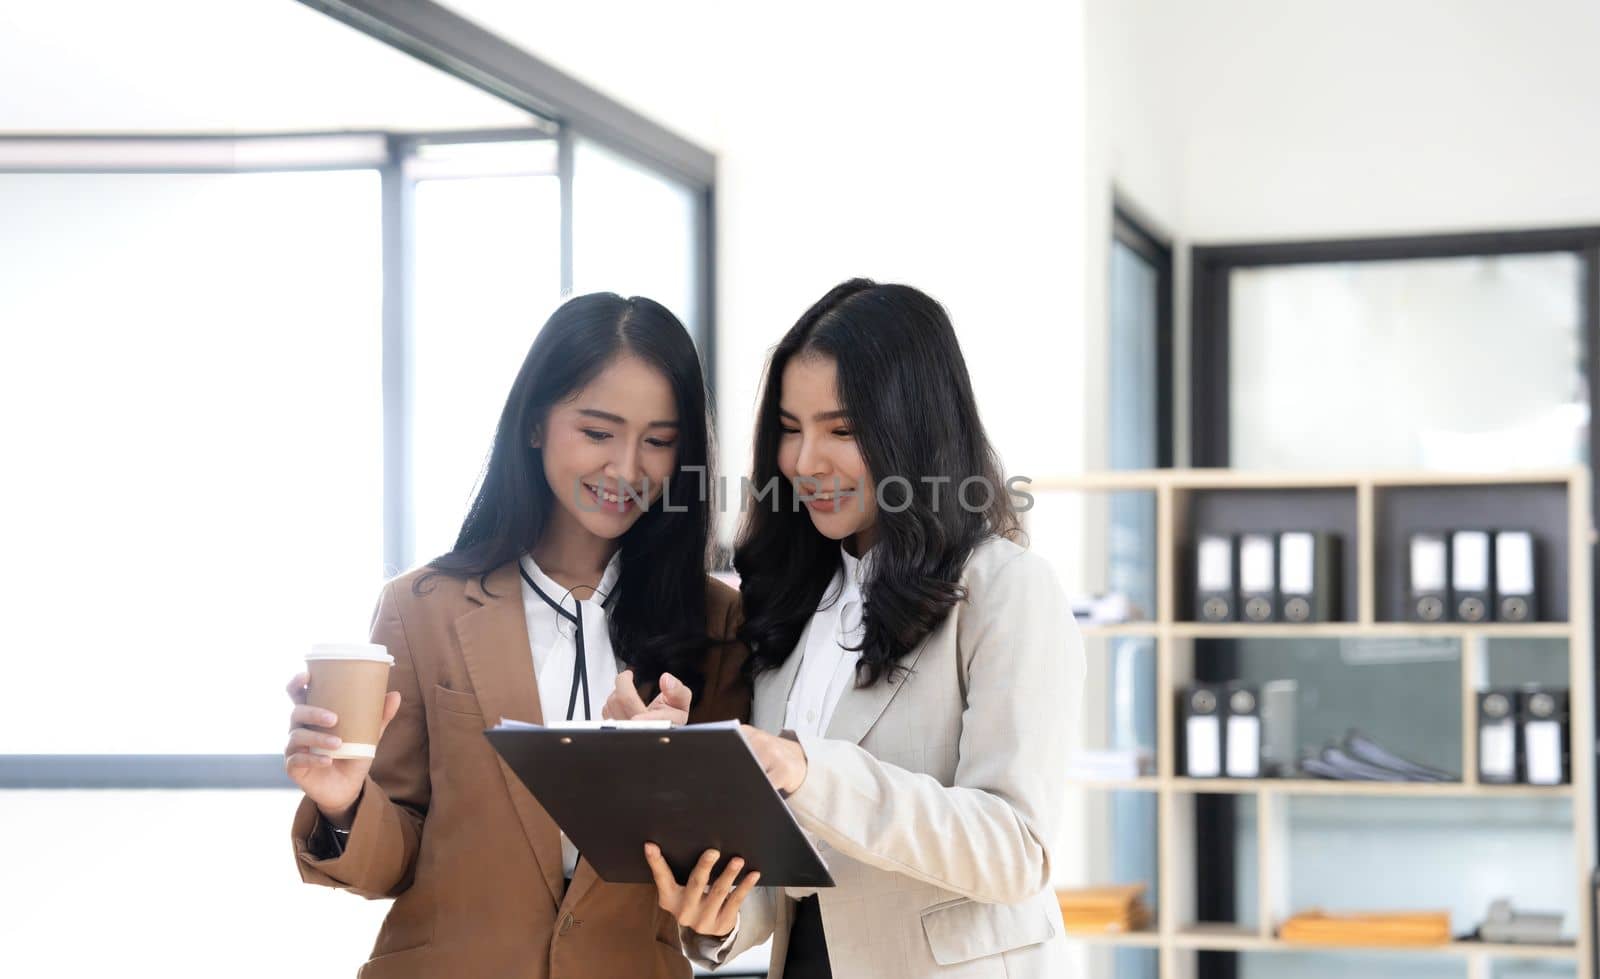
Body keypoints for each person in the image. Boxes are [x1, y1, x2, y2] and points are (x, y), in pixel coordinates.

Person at [285, 293, 748, 979]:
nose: (626, 468)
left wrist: (665, 788)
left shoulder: (715, 623)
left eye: (657, 440)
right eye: (597, 432)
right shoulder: (422, 608)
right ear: (536, 424)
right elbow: (394, 860)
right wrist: (343, 799)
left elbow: (717, 875)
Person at [646, 279, 1084, 978]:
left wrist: (810, 769)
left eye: (842, 429)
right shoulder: (791, 599)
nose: (806, 461)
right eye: (791, 428)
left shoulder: (1005, 589)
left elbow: (1016, 850)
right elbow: (795, 875)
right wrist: (720, 912)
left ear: (914, 428)